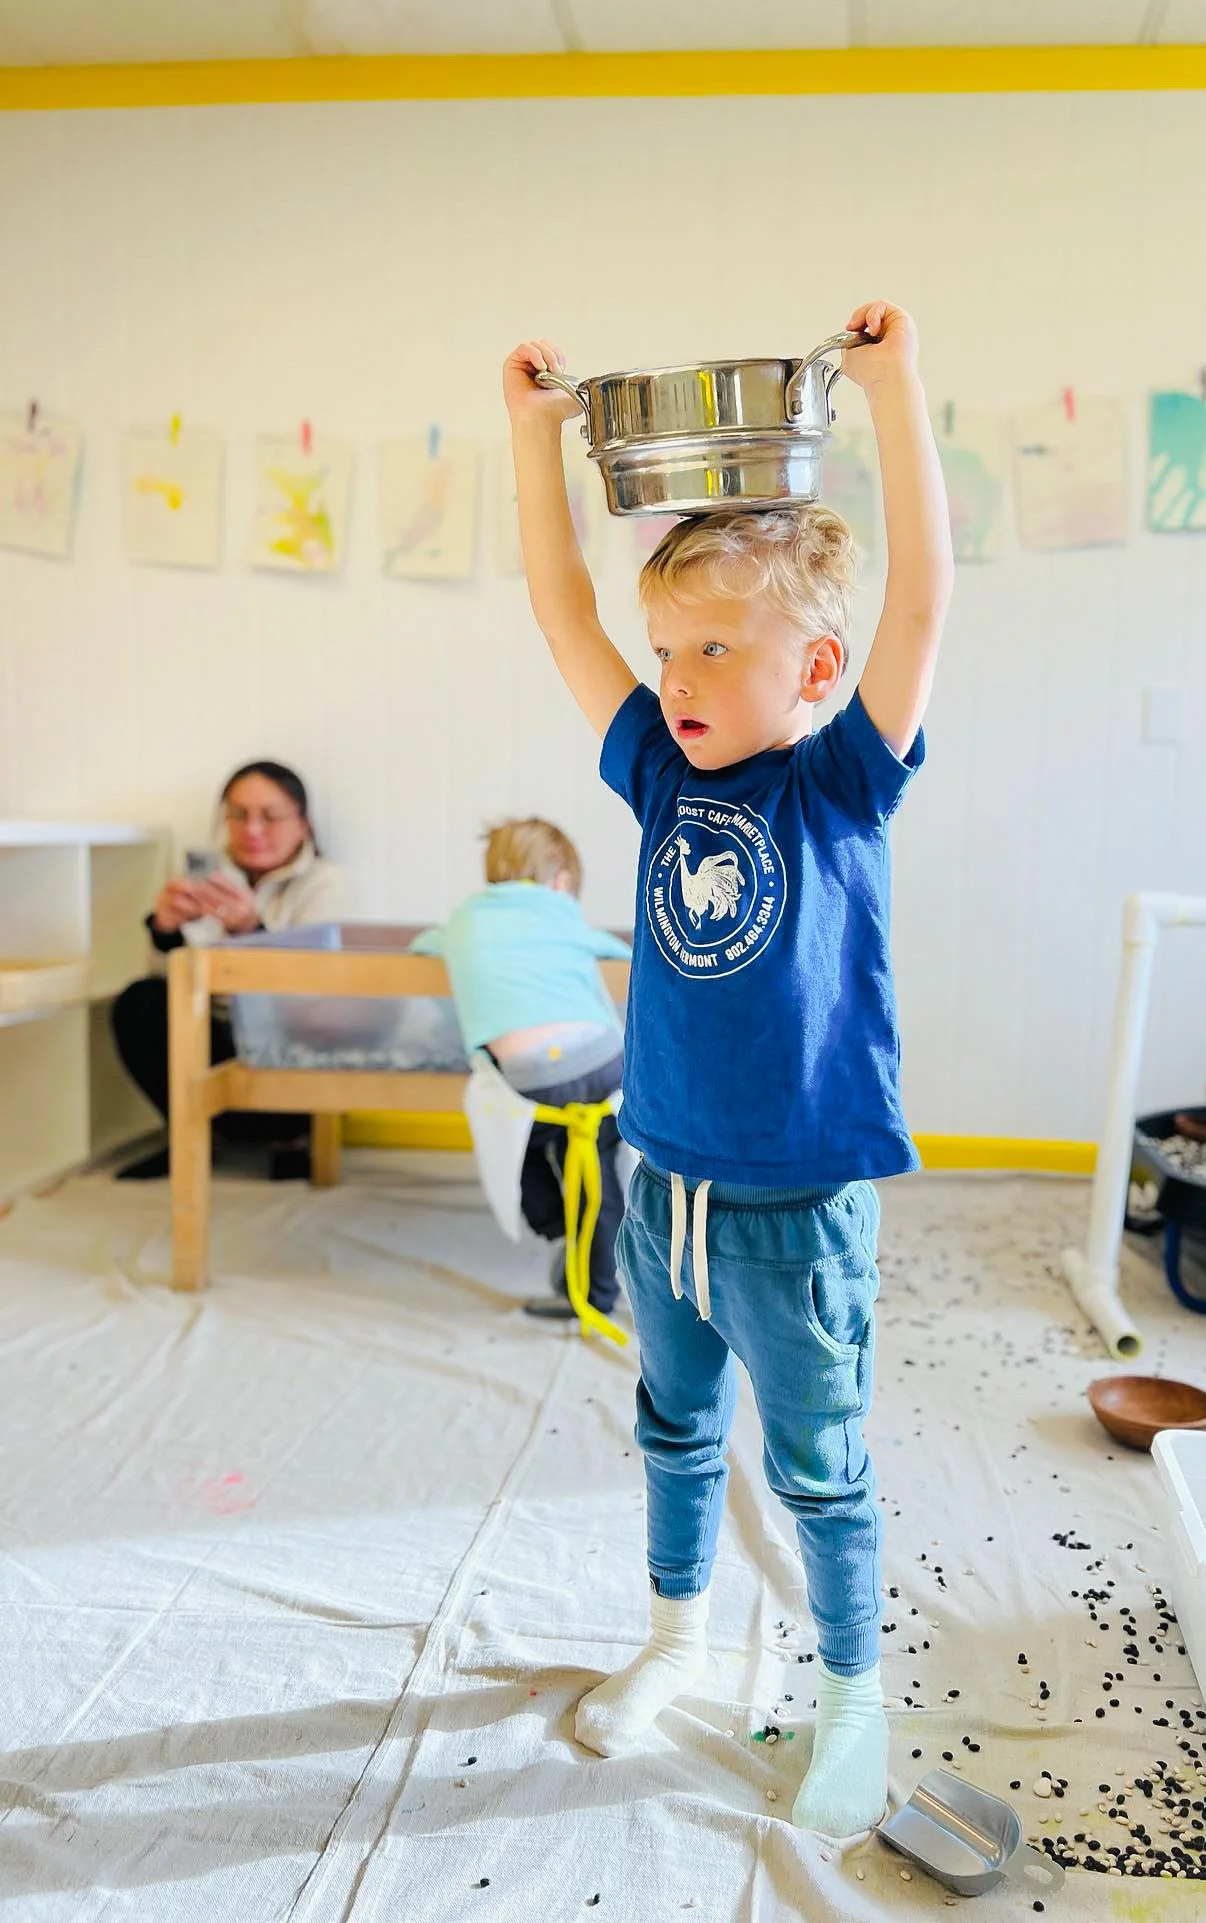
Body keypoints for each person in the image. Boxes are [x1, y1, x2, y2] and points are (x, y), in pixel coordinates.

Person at [503, 298, 952, 1836]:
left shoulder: (842, 779)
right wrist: (530, 441)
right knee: (673, 1427)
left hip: (797, 1201)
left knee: (821, 1468)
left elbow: (923, 604)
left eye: (714, 645)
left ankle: (849, 1698)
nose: (676, 673)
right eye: (668, 645)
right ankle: (677, 1634)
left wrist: (897, 391)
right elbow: (565, 612)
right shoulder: (649, 769)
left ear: (812, 661)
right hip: (664, 1174)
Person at [412, 818, 630, 1321]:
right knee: (600, 1170)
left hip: (531, 1078)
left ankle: (553, 1223)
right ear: (560, 881)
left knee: (520, 1140)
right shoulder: (562, 915)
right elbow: (620, 954)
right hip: (602, 1059)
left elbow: (424, 945)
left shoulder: (463, 920)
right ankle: (594, 1292)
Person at [111, 759, 352, 1181]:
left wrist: (251, 931)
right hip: (219, 1033)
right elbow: (175, 987)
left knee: (317, 1024)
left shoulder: (325, 884)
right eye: (239, 816)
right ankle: (190, 1132)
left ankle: (291, 1138)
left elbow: (316, 988)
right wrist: (165, 931)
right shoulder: (208, 877)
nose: (252, 830)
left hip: (289, 1041)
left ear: (303, 825)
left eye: (270, 817)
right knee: (140, 1001)